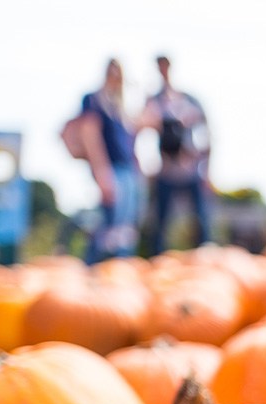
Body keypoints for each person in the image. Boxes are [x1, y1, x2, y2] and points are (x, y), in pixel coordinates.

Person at [143, 55, 212, 254]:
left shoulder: (189, 100)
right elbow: (142, 128)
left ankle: (205, 259)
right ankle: (157, 260)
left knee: (201, 222)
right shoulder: (154, 101)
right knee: (160, 223)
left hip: (190, 169)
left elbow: (207, 133)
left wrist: (205, 166)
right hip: (166, 170)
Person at [79, 59, 143, 263]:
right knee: (109, 225)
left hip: (128, 170)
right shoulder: (93, 100)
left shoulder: (119, 106)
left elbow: (130, 142)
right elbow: (90, 136)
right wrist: (101, 172)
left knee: (125, 228)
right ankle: (94, 269)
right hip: (111, 169)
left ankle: (120, 268)